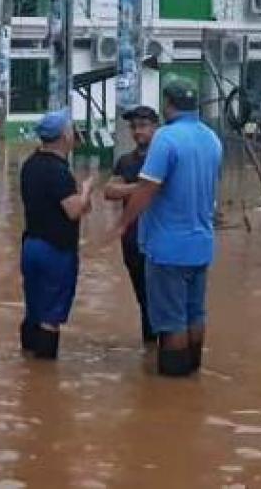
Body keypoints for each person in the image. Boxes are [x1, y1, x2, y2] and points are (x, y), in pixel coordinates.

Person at [111, 80, 222, 377]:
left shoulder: (166, 139)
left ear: (168, 104)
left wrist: (123, 224)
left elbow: (148, 188)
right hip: (202, 245)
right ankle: (193, 374)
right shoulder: (212, 138)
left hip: (167, 248)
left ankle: (173, 386)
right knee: (194, 314)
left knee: (172, 322)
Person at [19, 109, 93, 360]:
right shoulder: (59, 172)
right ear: (64, 136)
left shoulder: (30, 164)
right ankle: (43, 376)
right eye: (71, 128)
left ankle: (27, 364)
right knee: (51, 316)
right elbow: (73, 211)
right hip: (55, 250)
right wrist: (86, 191)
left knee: (34, 308)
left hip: (30, 246)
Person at [103, 105, 160, 343]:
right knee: (143, 298)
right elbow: (109, 190)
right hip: (132, 239)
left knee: (162, 297)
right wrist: (142, 188)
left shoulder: (164, 157)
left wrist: (132, 190)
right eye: (134, 127)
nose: (138, 131)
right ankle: (151, 346)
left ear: (156, 127)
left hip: (160, 238)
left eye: (144, 126)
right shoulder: (126, 161)